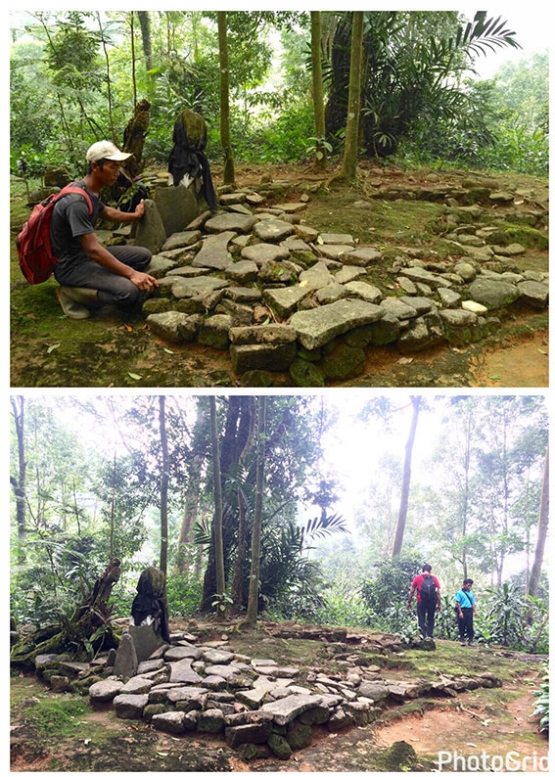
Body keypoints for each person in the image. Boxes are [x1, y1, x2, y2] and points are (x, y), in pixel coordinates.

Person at [51, 140, 159, 320]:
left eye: (119, 167)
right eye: (113, 167)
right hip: (71, 266)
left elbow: (106, 212)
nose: (118, 173)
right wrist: (132, 274)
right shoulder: (76, 202)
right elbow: (93, 250)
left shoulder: (89, 190)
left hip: (84, 257)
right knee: (129, 292)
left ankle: (104, 278)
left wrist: (135, 216)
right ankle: (70, 293)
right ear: (95, 166)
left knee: (143, 255)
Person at [407, 563, 441, 640]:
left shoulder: (417, 578)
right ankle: (430, 636)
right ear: (430, 571)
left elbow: (412, 591)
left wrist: (409, 602)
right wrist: (439, 604)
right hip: (432, 602)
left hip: (421, 601)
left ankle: (423, 636)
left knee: (421, 618)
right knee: (431, 618)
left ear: (422, 570)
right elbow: (438, 592)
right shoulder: (434, 579)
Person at [455, 578, 477, 646]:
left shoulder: (471, 593)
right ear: (464, 585)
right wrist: (460, 612)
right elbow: (458, 603)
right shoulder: (459, 593)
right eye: (468, 585)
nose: (469, 587)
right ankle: (462, 640)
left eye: (470, 585)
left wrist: (475, 611)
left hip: (469, 610)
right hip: (462, 610)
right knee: (462, 625)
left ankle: (470, 640)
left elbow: (473, 603)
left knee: (470, 626)